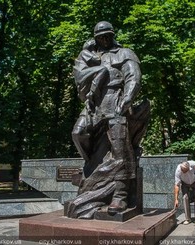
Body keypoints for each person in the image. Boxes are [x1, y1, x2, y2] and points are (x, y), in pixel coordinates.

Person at [68, 21, 149, 218]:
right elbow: (78, 76)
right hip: (94, 104)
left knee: (120, 150)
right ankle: (95, 166)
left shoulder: (125, 53)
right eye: (100, 36)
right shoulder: (89, 55)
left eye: (107, 35)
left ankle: (120, 195)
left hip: (116, 101)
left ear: (112, 35)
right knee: (78, 133)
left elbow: (134, 77)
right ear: (95, 37)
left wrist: (127, 100)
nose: (104, 39)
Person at [174, 160, 195, 226]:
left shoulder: (193, 164)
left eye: (185, 170)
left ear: (188, 168)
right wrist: (176, 199)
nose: (183, 171)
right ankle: (188, 219)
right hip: (185, 183)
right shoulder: (178, 170)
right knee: (185, 198)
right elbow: (176, 185)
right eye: (182, 170)